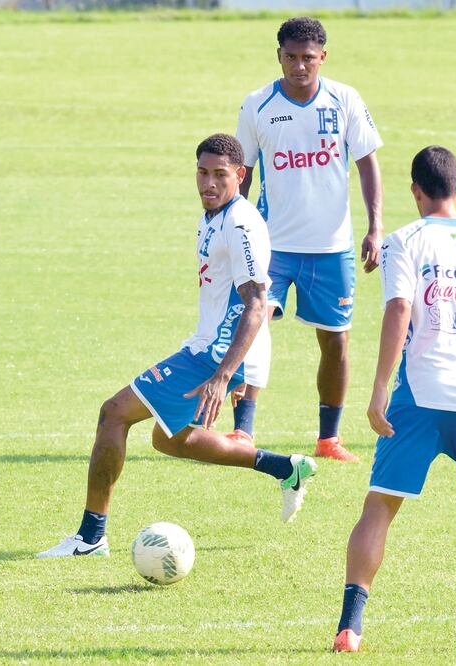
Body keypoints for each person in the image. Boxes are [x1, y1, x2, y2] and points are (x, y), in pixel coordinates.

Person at [37, 135, 318, 559]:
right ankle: (285, 467)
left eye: (220, 175)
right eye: (202, 173)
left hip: (213, 354)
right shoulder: (215, 214)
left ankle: (90, 537)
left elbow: (257, 303)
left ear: (240, 176)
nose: (208, 183)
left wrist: (224, 374)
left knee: (113, 413)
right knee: (169, 440)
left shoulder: (240, 224)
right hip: (207, 346)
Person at [333, 146, 456, 652]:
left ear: (415, 191)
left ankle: (350, 627)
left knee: (379, 506)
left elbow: (398, 309)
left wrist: (377, 391)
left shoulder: (403, 240)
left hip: (419, 397)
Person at [233, 17, 384, 462]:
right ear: (278, 55)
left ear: (323, 57)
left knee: (335, 342)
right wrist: (234, 229)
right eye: (291, 57)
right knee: (253, 328)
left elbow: (368, 164)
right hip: (271, 244)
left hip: (332, 248)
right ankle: (243, 431)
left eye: (309, 58)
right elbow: (243, 174)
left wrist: (375, 227)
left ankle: (328, 439)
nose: (300, 66)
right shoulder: (257, 104)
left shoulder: (345, 100)